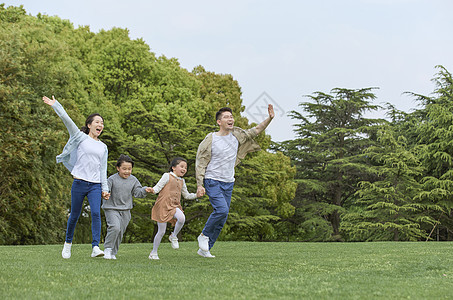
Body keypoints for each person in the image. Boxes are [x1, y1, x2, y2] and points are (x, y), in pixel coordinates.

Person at [195, 104, 274, 258]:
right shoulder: (211, 139)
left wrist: (269, 118)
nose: (230, 119)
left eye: (231, 117)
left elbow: (256, 130)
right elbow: (200, 161)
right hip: (212, 180)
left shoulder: (238, 136)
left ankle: (205, 249)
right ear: (219, 122)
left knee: (222, 217)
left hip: (228, 182)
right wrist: (199, 184)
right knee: (222, 210)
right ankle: (204, 235)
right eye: (226, 117)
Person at [42, 95, 109, 259]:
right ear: (89, 125)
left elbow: (103, 169)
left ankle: (95, 247)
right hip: (79, 182)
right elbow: (67, 120)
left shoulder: (103, 147)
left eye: (102, 123)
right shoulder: (80, 138)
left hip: (95, 185)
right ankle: (67, 244)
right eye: (97, 122)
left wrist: (105, 189)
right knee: (74, 215)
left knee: (95, 213)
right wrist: (55, 105)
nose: (100, 124)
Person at [148, 157, 201, 260]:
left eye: (185, 167)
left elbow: (186, 195)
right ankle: (153, 253)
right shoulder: (167, 176)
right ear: (173, 168)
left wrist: (196, 195)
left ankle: (173, 235)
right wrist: (152, 190)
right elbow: (157, 188)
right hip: (163, 206)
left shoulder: (182, 181)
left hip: (174, 205)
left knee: (181, 218)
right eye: (181, 166)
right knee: (161, 231)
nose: (184, 169)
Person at [102, 154, 153, 259]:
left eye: (129, 169)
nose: (127, 171)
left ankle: (113, 253)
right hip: (111, 208)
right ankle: (107, 249)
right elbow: (105, 189)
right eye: (124, 169)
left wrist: (145, 190)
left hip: (126, 210)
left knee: (120, 231)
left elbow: (137, 192)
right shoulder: (112, 179)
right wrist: (105, 193)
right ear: (118, 168)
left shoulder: (133, 180)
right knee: (115, 227)